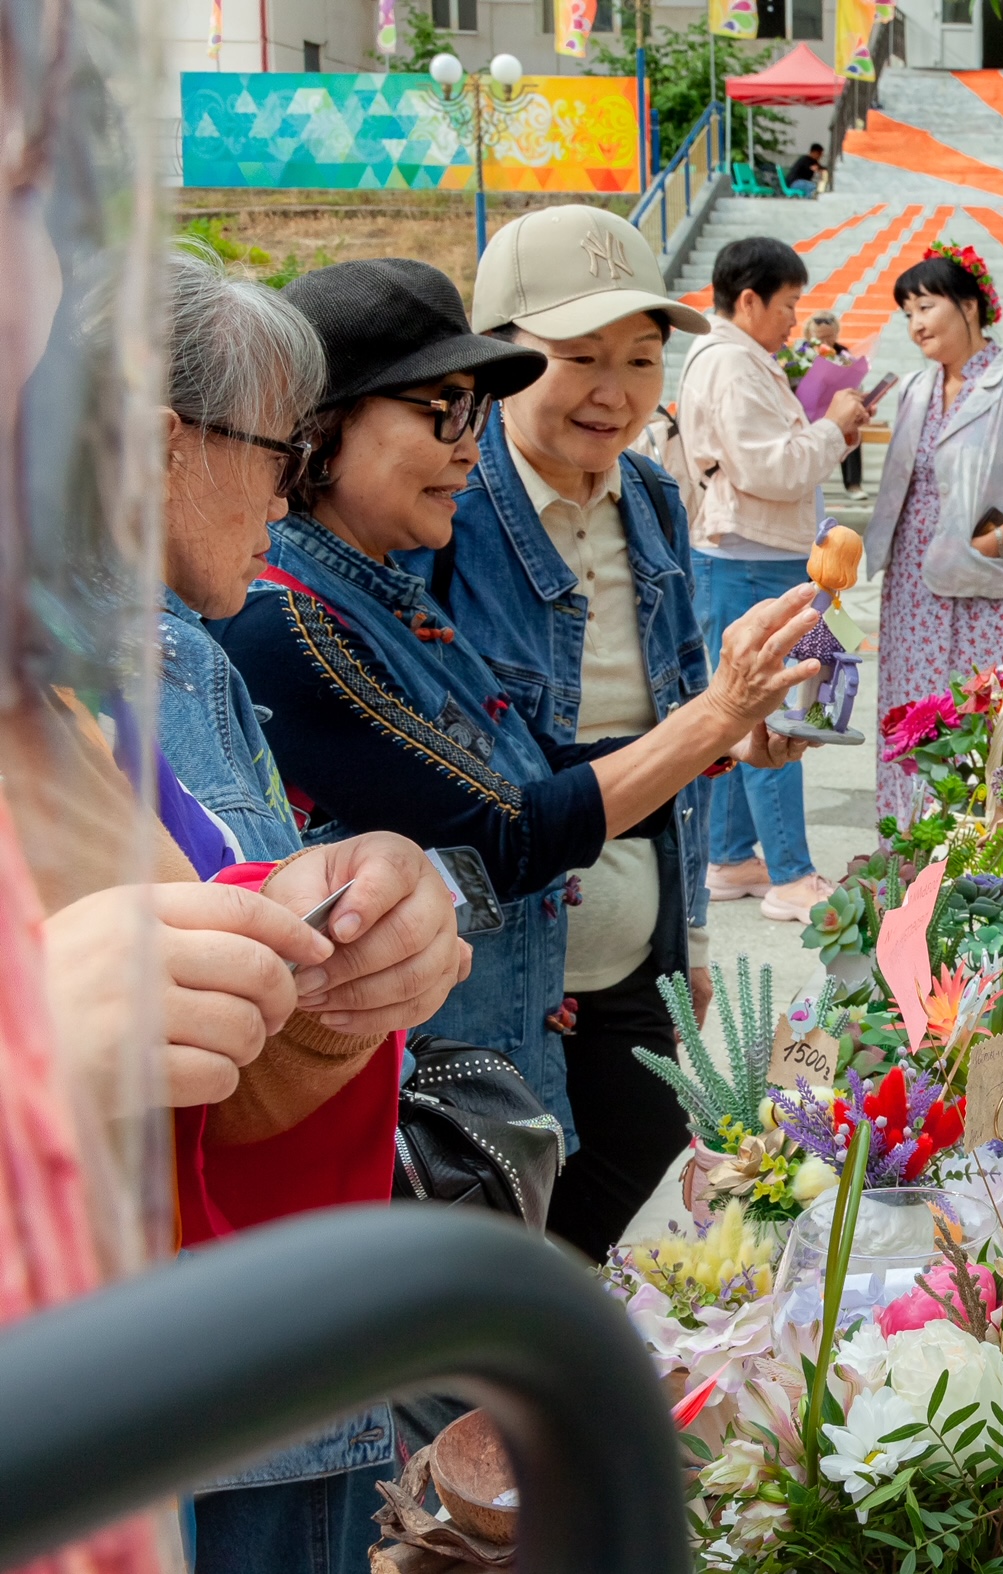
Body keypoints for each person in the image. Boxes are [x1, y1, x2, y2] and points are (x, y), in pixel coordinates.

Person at [218, 256, 817, 1266]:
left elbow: (533, 764)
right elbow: (507, 827)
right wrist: (716, 714)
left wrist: (714, 746)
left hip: (548, 1011)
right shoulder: (290, 617)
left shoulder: (383, 591)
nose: (467, 446)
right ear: (321, 422)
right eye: (439, 413)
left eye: (473, 414)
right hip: (422, 1085)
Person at [153, 246, 476, 1574]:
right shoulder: (181, 643)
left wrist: (358, 920)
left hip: (256, 1359)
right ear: (165, 446)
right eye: (276, 452)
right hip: (185, 1383)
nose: (283, 498)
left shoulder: (178, 650)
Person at [679, 236, 868, 925]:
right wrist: (833, 427)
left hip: (747, 553)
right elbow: (772, 469)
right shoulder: (732, 362)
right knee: (777, 710)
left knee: (736, 708)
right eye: (788, 306)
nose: (795, 321)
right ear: (749, 298)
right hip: (752, 557)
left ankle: (729, 857)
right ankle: (791, 874)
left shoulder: (735, 357)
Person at [866, 242, 1003, 825]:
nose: (915, 324)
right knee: (911, 727)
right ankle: (907, 854)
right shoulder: (913, 389)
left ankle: (987, 858)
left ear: (970, 308)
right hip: (912, 597)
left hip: (990, 598)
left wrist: (991, 544)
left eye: (926, 306)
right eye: (906, 312)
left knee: (988, 732)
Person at [803, 311, 868, 499]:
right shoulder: (799, 355)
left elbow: (856, 382)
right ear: (809, 336)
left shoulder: (844, 355)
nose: (826, 341)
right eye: (820, 337)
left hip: (837, 407)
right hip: (808, 410)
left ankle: (853, 484)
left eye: (830, 336)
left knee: (852, 428)